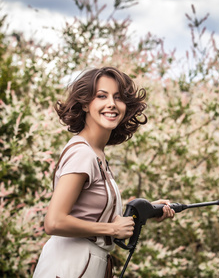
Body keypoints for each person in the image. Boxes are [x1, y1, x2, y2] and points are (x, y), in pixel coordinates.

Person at [33, 66, 175, 278]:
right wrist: (112, 230)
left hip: (85, 265)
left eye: (118, 97)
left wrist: (148, 210)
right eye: (101, 96)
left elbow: (94, 214)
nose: (112, 103)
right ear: (85, 104)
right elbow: (54, 222)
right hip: (70, 266)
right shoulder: (83, 153)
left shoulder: (95, 153)